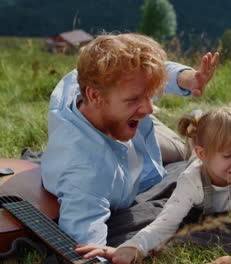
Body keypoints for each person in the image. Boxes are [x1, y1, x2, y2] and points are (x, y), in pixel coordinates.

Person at [40, 33, 220, 245]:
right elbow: (87, 247)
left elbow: (146, 70)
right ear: (95, 96)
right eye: (134, 98)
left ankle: (192, 129)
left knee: (182, 152)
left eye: (149, 94)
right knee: (189, 159)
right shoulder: (85, 172)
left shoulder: (89, 80)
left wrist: (187, 79)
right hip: (118, 138)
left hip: (132, 128)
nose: (150, 108)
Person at [75, 107, 231, 264]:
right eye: (228, 155)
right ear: (204, 155)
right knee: (179, 156)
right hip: (196, 168)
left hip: (208, 161)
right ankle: (169, 124)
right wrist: (133, 247)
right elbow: (166, 223)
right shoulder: (192, 180)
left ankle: (199, 121)